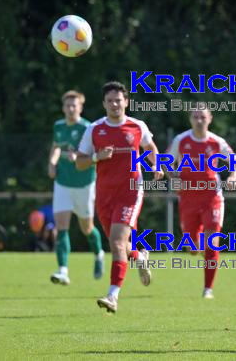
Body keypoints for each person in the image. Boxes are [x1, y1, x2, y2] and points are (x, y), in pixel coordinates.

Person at [76, 81, 164, 313]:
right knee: (121, 246)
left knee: (116, 243)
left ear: (126, 102)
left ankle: (113, 295)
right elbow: (80, 162)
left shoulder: (137, 126)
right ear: (104, 104)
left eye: (119, 100)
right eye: (110, 101)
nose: (115, 104)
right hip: (104, 194)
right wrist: (97, 156)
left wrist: (156, 165)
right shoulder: (94, 129)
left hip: (131, 191)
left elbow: (151, 148)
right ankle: (140, 256)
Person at [167, 104, 236, 299]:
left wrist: (233, 176)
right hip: (188, 199)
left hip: (212, 198)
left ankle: (208, 288)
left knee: (212, 242)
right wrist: (174, 177)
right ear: (190, 119)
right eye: (195, 117)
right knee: (192, 249)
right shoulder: (181, 140)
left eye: (203, 117)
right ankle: (197, 246)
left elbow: (235, 161)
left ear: (210, 119)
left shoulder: (216, 142)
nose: (199, 120)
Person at [48, 90, 104, 285]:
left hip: (84, 184)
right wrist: (52, 163)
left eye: (75, 105)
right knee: (61, 227)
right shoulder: (58, 126)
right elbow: (56, 146)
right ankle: (63, 271)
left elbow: (96, 158)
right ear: (63, 107)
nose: (71, 108)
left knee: (87, 228)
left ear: (80, 107)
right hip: (62, 183)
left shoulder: (88, 128)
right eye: (68, 105)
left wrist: (78, 158)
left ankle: (99, 254)